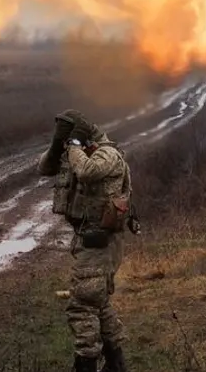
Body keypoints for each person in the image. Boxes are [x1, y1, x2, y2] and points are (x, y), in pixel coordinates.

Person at [46, 109, 131, 372]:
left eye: (73, 135)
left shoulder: (108, 154)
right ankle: (116, 363)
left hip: (102, 243)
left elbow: (86, 171)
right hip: (89, 241)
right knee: (99, 302)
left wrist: (74, 144)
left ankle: (86, 363)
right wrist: (57, 144)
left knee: (81, 304)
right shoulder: (77, 152)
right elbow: (44, 168)